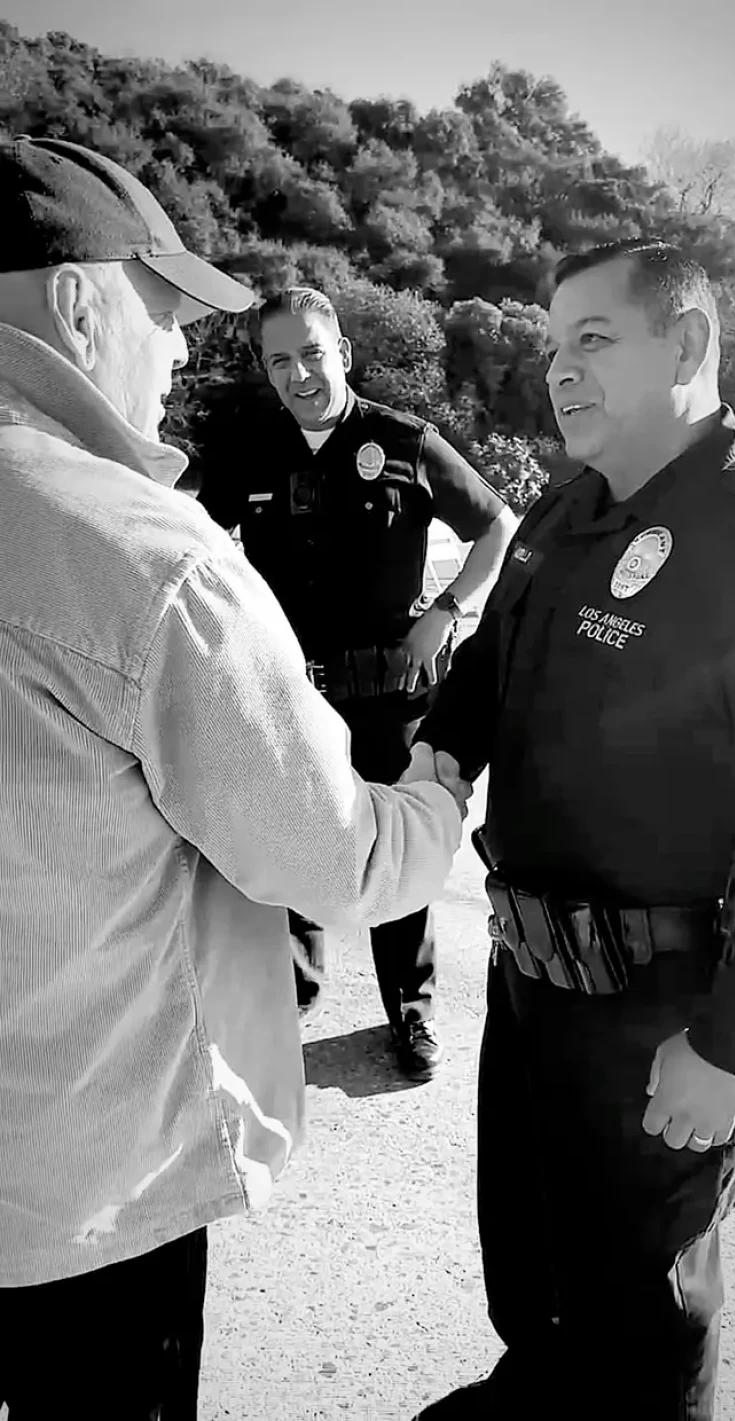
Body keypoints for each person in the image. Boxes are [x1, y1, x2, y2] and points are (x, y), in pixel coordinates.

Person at [0, 135, 467, 1420]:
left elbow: (488, 531)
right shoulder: (143, 554)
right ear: (84, 304)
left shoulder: (396, 440)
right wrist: (438, 791)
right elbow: (331, 855)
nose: (185, 353)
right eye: (169, 311)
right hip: (82, 1195)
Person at [407, 238, 735, 1420]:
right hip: (528, 986)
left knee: (639, 1322)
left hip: (659, 1016)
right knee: (533, 1281)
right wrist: (443, 746)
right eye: (550, 346)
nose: (557, 371)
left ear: (684, 345)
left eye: (592, 340)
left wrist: (731, 1043)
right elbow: (487, 662)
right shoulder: (562, 509)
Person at [199, 287, 517, 1079]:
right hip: (290, 695)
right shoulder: (249, 447)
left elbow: (496, 525)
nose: (299, 373)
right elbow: (196, 539)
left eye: (312, 352)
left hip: (389, 695)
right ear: (266, 372)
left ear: (342, 351)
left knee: (392, 855)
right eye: (280, 360)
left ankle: (411, 1013)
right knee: (293, 841)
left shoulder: (402, 439)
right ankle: (293, 994)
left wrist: (446, 611)